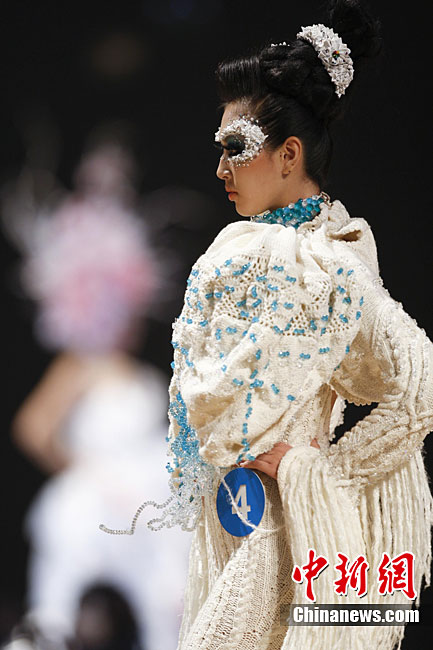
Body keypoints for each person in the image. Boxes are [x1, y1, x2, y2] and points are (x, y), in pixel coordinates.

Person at [129, 1, 433, 648]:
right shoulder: (262, 252)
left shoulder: (327, 265)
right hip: (234, 522)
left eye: (235, 148)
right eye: (218, 150)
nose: (220, 169)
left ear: (289, 153)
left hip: (279, 532)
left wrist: (319, 474)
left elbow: (418, 387)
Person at [9, 142, 192, 650]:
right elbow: (33, 429)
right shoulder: (80, 364)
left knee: (165, 607)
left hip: (152, 511)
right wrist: (92, 475)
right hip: (97, 508)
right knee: (59, 608)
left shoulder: (142, 374)